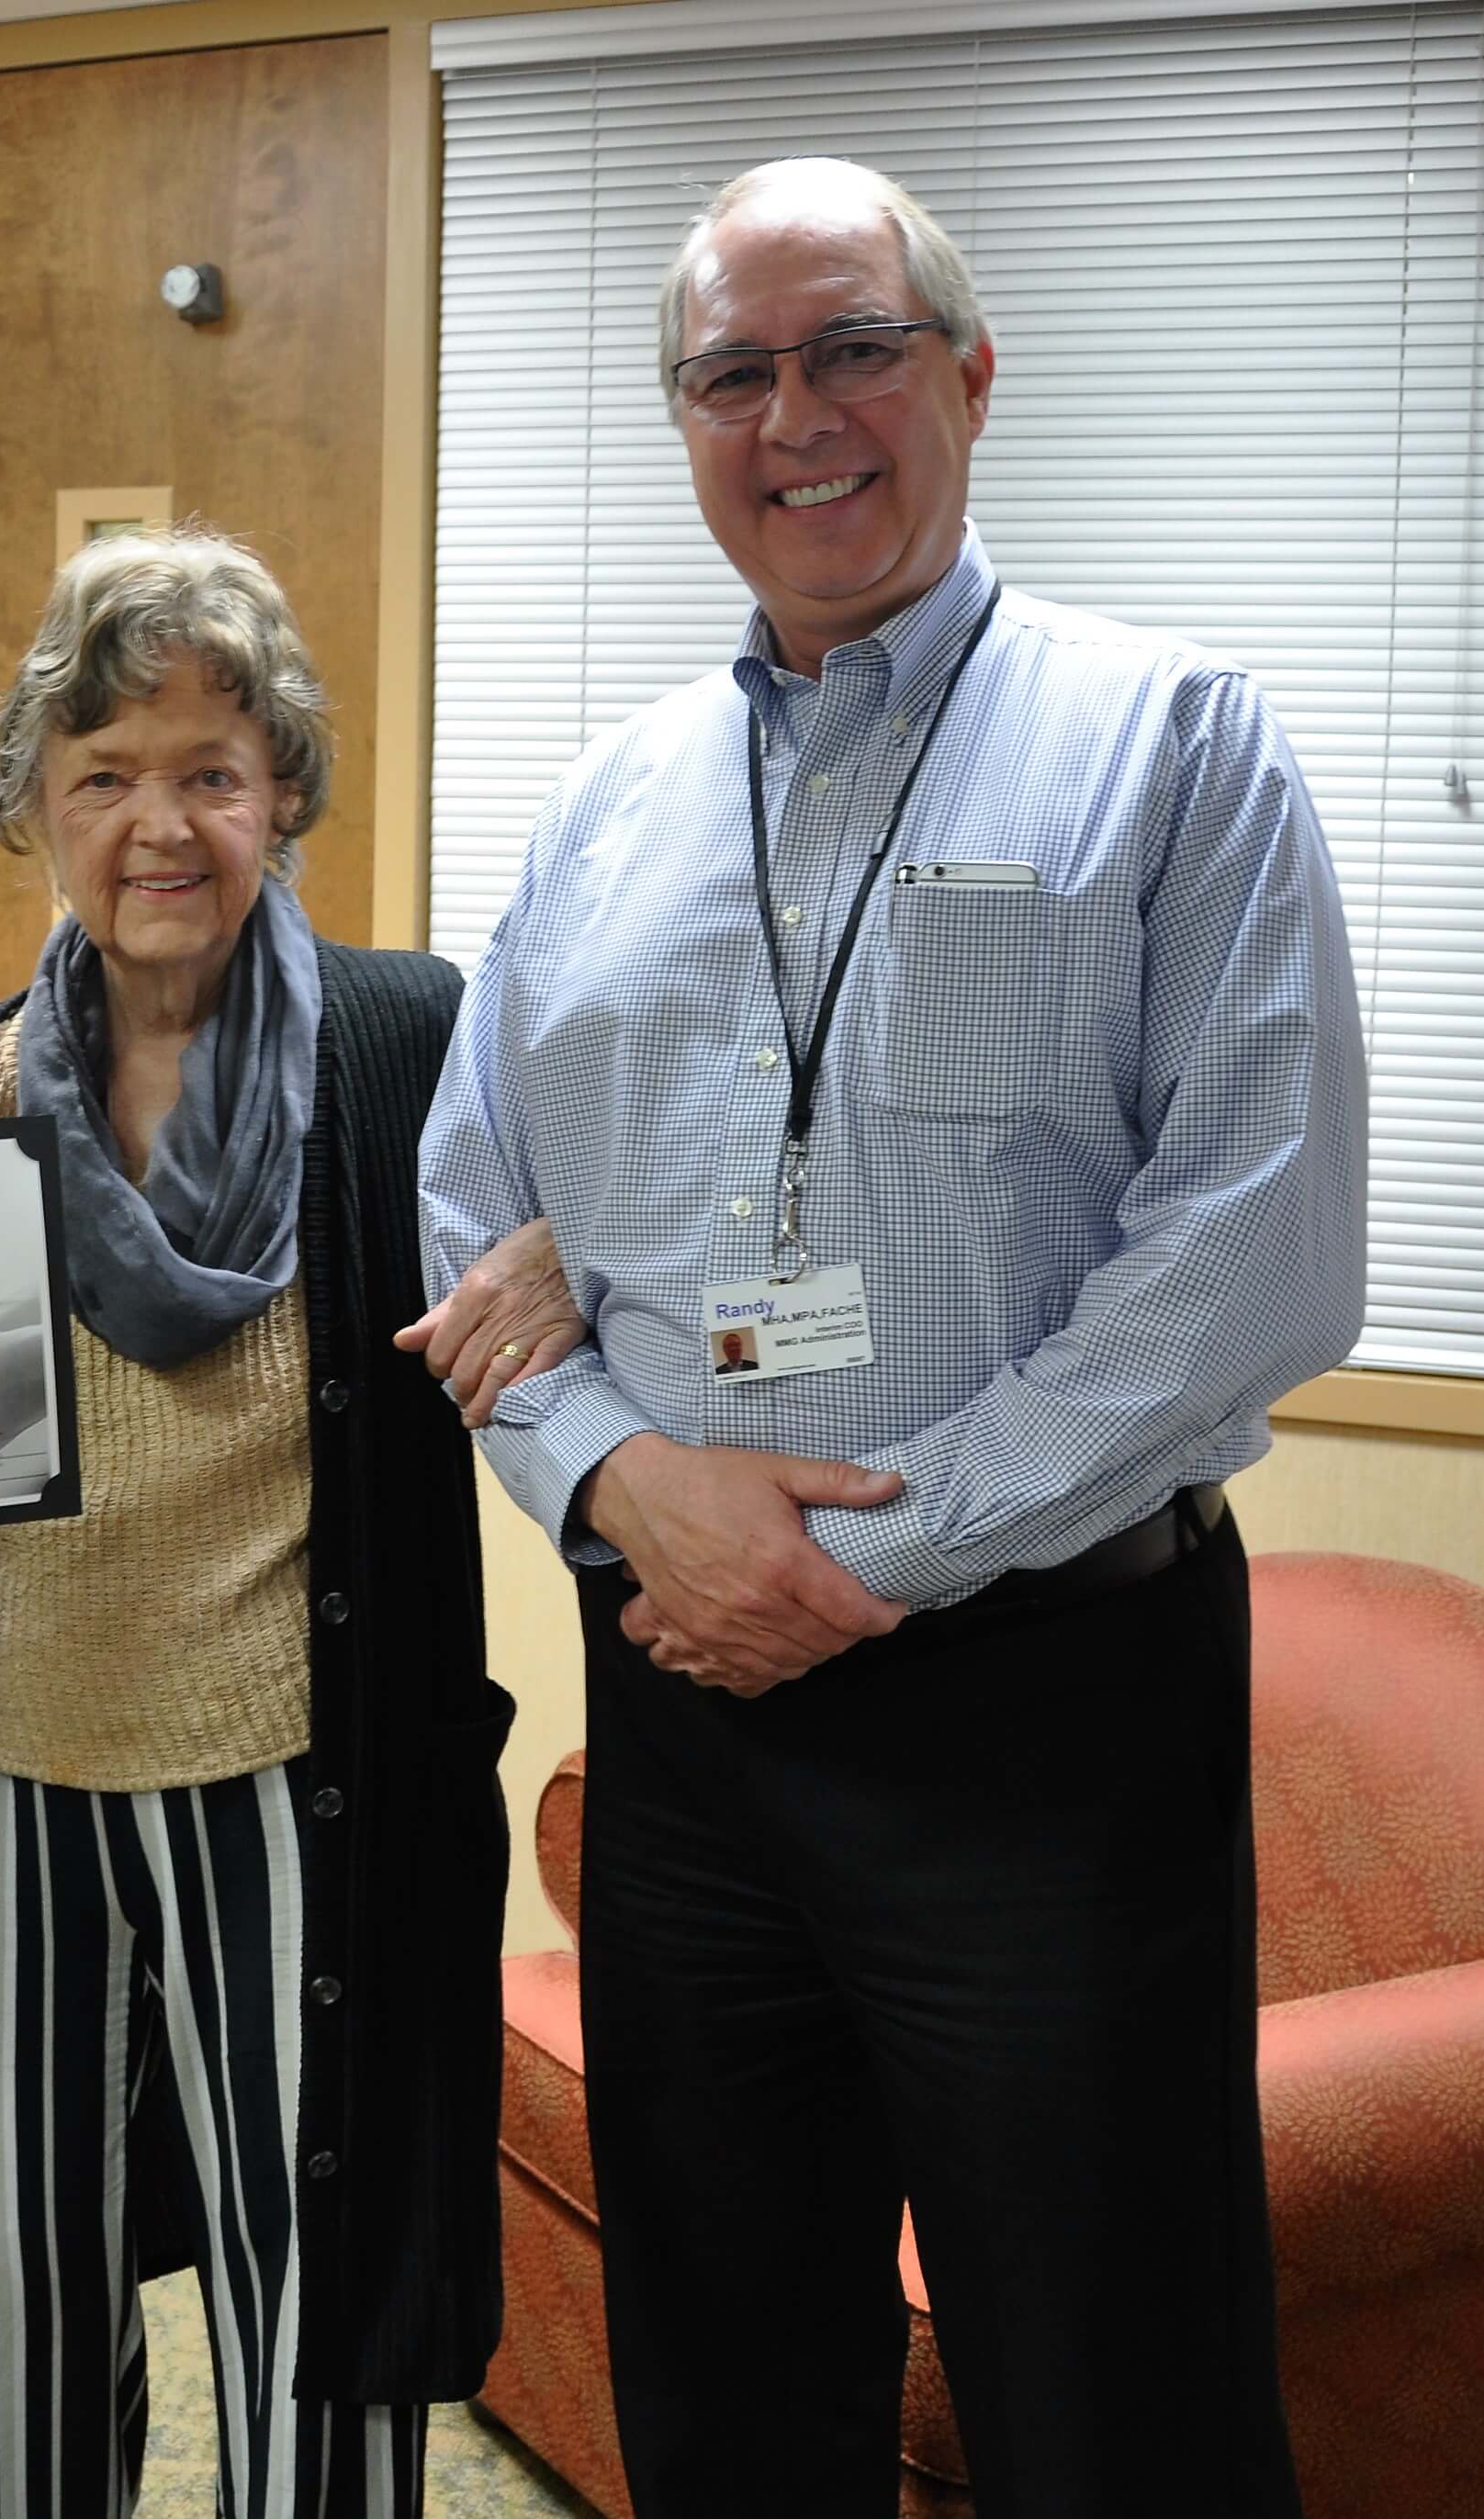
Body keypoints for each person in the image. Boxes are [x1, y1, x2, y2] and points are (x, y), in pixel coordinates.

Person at [415, 159, 1365, 2518]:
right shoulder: (606, 802)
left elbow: (1252, 1242)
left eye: (847, 346)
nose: (794, 414)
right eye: (730, 373)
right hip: (684, 1721)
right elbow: (470, 1202)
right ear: (682, 423)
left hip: (1040, 1708)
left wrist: (873, 1549)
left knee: (1107, 2383)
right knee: (727, 2368)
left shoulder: (1173, 742)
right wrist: (626, 1485)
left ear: (965, 373)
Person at [0, 528, 574, 2519]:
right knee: (13, 2301)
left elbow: (612, 1219)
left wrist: (577, 1268)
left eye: (207, 772)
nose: (156, 824)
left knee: (313, 2314)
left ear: (280, 798)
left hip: (300, 1787)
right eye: (101, 775)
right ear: (33, 809)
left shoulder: (410, 1048)